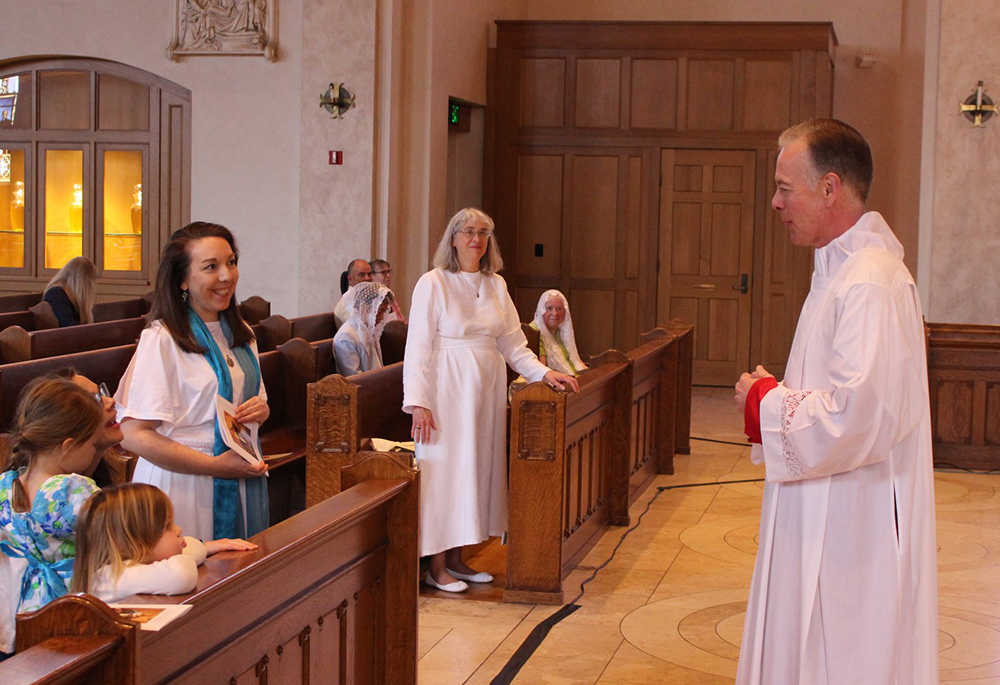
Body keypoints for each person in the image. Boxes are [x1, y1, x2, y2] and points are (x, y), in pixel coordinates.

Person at [734, 119, 937, 685]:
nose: (774, 203)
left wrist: (764, 403)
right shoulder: (841, 271)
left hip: (852, 520)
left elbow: (857, 413)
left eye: (783, 187)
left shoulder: (869, 281)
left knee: (840, 654)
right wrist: (782, 397)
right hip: (825, 501)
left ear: (829, 188)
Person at [404, 208, 579, 593]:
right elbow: (417, 346)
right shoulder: (432, 283)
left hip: (484, 392)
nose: (476, 239)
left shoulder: (496, 285)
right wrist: (419, 401)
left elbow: (513, 344)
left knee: (476, 469)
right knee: (446, 474)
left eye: (483, 232)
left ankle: (457, 558)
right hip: (446, 389)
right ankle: (436, 566)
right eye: (468, 232)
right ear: (453, 238)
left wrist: (545, 373)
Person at [116, 222, 269, 543]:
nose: (226, 276)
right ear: (182, 279)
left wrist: (260, 411)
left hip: (235, 473)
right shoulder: (163, 339)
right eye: (211, 267)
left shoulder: (242, 335)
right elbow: (133, 435)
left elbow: (250, 405)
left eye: (231, 262)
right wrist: (215, 466)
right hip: (183, 485)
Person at [0, 377, 107, 656]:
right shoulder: (72, 492)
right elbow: (122, 537)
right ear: (68, 446)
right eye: (93, 444)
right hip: (66, 614)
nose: (94, 451)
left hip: (12, 616)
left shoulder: (3, 487)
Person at [72, 482, 256, 603]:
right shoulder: (112, 577)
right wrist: (193, 552)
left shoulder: (132, 567)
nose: (178, 531)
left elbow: (190, 545)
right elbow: (182, 574)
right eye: (167, 527)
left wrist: (203, 548)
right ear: (135, 540)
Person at [333, 281, 395, 377]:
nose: (381, 317)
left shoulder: (369, 329)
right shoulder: (346, 337)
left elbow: (377, 365)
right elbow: (353, 377)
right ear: (363, 307)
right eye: (378, 311)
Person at [529, 290, 587, 377]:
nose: (555, 313)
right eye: (549, 308)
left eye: (559, 309)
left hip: (574, 377)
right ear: (541, 310)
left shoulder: (560, 329)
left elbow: (574, 360)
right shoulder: (534, 331)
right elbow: (541, 369)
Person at [43, 256, 97, 326]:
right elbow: (67, 325)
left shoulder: (70, 294)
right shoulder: (56, 294)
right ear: (82, 281)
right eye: (90, 280)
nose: (92, 284)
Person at [333, 258, 373, 327]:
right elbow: (358, 332)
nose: (367, 278)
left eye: (369, 274)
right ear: (350, 279)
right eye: (361, 275)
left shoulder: (368, 297)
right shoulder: (348, 305)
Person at [370, 258, 406, 324]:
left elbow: (401, 319)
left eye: (389, 272)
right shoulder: (370, 298)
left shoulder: (389, 295)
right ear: (371, 276)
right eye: (383, 272)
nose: (388, 275)